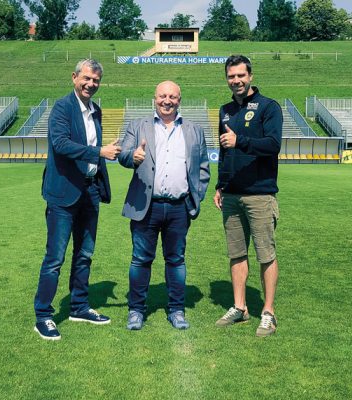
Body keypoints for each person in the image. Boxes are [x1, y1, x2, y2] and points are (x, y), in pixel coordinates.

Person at [33, 59, 122, 341]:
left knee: (85, 254)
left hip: (90, 191)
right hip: (63, 193)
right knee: (54, 258)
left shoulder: (96, 110)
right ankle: (43, 315)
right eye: (86, 78)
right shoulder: (62, 107)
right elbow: (60, 144)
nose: (90, 84)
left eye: (95, 80)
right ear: (74, 77)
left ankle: (79, 306)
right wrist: (98, 152)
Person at [118, 81, 210, 331]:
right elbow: (122, 154)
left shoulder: (194, 129)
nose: (166, 100)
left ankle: (177, 310)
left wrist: (196, 197)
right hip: (145, 206)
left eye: (172, 96)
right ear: (154, 98)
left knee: (176, 260)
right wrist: (133, 157)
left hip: (179, 208)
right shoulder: (138, 126)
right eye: (162, 96)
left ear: (180, 99)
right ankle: (136, 310)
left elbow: (203, 167)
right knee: (140, 260)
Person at [213, 55, 283, 337]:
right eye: (231, 76)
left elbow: (273, 145)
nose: (236, 81)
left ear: (250, 76)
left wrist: (240, 140)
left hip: (260, 194)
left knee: (265, 253)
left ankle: (268, 312)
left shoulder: (269, 107)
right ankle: (239, 307)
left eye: (241, 75)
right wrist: (220, 185)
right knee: (236, 253)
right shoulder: (225, 110)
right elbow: (223, 152)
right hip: (231, 194)